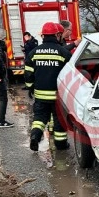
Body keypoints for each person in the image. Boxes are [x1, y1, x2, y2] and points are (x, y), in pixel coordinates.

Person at [25, 22, 72, 151]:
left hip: (40, 94)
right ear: (57, 35)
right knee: (59, 120)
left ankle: (35, 136)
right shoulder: (63, 52)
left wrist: (30, 87)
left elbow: (28, 74)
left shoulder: (34, 52)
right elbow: (70, 75)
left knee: (40, 118)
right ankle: (61, 145)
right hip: (58, 95)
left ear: (43, 35)